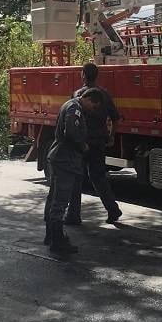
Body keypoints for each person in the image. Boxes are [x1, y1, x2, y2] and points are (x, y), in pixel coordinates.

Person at [42, 88, 104, 254]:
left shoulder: (70, 105)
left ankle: (51, 235)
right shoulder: (74, 108)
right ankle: (57, 240)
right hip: (65, 160)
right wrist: (82, 145)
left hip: (59, 158)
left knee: (53, 197)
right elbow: (71, 132)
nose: (93, 110)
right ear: (89, 99)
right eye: (94, 106)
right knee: (60, 200)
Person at [65, 63, 123, 226]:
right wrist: (111, 136)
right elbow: (115, 118)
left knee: (77, 178)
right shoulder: (104, 94)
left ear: (83, 75)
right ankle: (113, 209)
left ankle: (73, 215)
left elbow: (72, 120)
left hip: (82, 144)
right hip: (99, 143)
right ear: (97, 75)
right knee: (99, 178)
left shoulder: (78, 95)